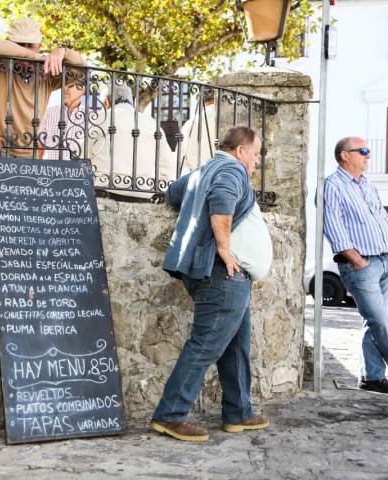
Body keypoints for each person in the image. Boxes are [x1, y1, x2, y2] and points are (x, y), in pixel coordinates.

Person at [150, 126, 270, 442]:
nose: (255, 162)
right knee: (205, 344)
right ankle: (170, 415)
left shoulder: (205, 170)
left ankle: (238, 413)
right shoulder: (231, 168)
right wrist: (223, 248)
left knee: (236, 345)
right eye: (255, 155)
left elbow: (174, 192)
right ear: (240, 149)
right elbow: (222, 198)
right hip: (221, 273)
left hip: (222, 275)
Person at [323, 136, 388, 395]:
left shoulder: (368, 186)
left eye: (368, 151)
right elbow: (334, 228)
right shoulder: (333, 186)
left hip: (386, 261)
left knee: (377, 320)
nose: (367, 155)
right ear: (344, 155)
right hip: (362, 267)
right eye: (362, 151)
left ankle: (371, 377)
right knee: (380, 320)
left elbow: (382, 216)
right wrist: (357, 260)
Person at [0, 18, 85, 165]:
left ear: (39, 46)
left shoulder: (47, 74)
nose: (25, 48)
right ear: (9, 42)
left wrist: (62, 52)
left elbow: (82, 71)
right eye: (20, 44)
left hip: (27, 155)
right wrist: (31, 55)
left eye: (30, 45)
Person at [89, 83, 176, 198]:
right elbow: (167, 165)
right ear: (131, 100)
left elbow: (80, 153)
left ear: (106, 102)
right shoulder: (152, 123)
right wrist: (157, 189)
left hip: (103, 189)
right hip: (142, 192)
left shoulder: (102, 117)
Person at [41, 83, 86, 160]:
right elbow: (39, 146)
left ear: (82, 89)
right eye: (63, 85)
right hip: (52, 169)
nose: (65, 89)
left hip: (78, 170)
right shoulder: (49, 112)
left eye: (70, 86)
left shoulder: (91, 116)